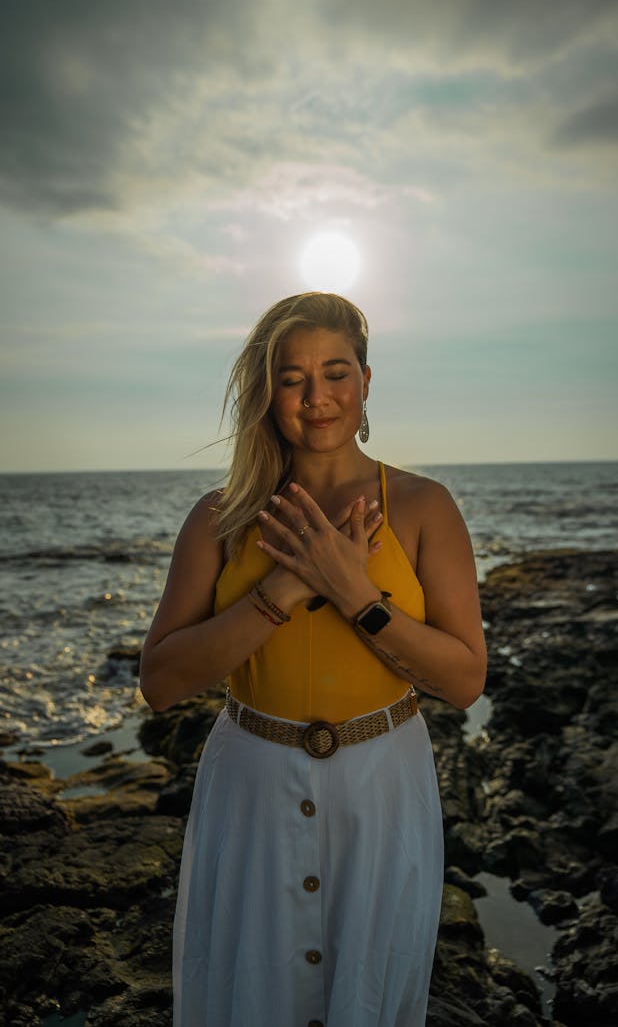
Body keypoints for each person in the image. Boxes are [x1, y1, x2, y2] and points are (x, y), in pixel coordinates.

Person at [140, 291, 487, 1027]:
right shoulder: (220, 516)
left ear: (366, 381)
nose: (317, 397)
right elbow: (162, 682)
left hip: (383, 783)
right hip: (252, 785)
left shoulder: (425, 506)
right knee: (250, 989)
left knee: (369, 985)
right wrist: (285, 586)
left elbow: (463, 679)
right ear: (268, 391)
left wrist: (357, 593)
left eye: (336, 373)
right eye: (293, 378)